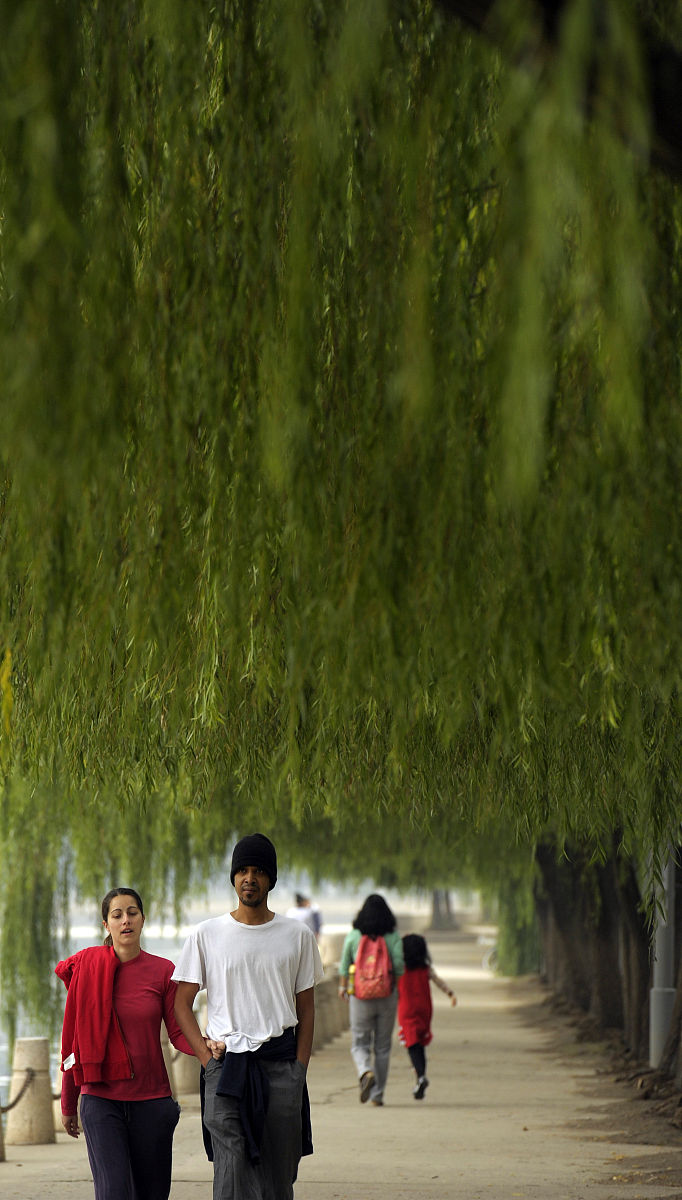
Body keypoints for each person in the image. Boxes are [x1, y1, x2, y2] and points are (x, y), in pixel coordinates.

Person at [172, 832, 324, 1200]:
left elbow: (306, 1007)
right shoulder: (207, 934)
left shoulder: (297, 935)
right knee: (231, 1164)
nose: (249, 878)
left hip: (280, 1063)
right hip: (226, 1068)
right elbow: (181, 1003)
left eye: (258, 871)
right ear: (233, 877)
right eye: (242, 870)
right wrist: (206, 1059)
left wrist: (299, 1069)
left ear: (271, 879)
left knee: (278, 1171)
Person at [55, 887, 195, 1200]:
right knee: (112, 1193)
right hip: (101, 1100)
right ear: (106, 925)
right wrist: (68, 1102)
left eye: (132, 913)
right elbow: (73, 1041)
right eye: (116, 915)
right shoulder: (87, 970)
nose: (125, 920)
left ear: (143, 919)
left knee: (151, 1194)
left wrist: (207, 1048)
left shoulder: (163, 972)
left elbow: (178, 1033)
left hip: (152, 1101)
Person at [337, 893, 404, 1106]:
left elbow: (345, 963)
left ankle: (365, 1070)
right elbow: (400, 965)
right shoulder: (392, 936)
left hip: (360, 994)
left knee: (359, 1042)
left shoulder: (355, 934)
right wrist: (397, 987)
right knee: (383, 1047)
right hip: (386, 995)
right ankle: (378, 1096)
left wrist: (342, 986)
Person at [397, 932, 457, 1100]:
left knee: (411, 1043)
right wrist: (450, 993)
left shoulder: (401, 969)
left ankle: (421, 1076)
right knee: (419, 1044)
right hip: (424, 1009)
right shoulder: (426, 969)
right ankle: (420, 1080)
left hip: (407, 1010)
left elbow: (391, 988)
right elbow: (439, 981)